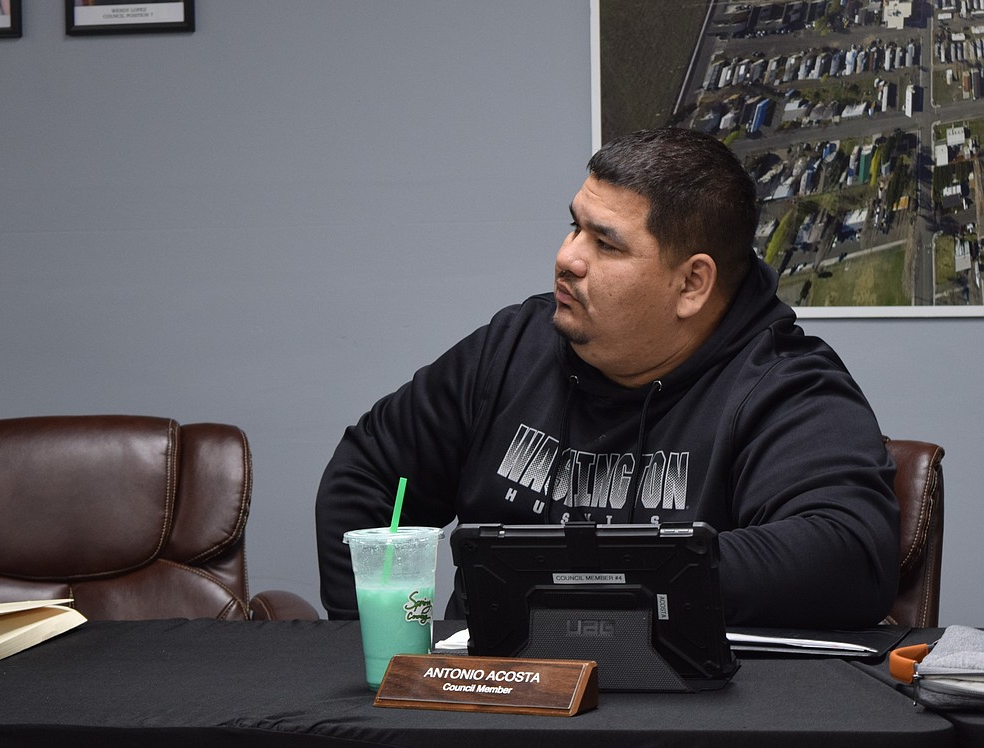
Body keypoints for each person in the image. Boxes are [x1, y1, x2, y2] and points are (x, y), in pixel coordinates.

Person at [315, 126, 900, 630]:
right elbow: (366, 476)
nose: (568, 258)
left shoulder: (785, 385)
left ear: (692, 284)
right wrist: (394, 648)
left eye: (605, 244)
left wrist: (585, 573)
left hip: (677, 717)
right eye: (574, 227)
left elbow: (848, 555)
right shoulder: (513, 346)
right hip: (493, 705)